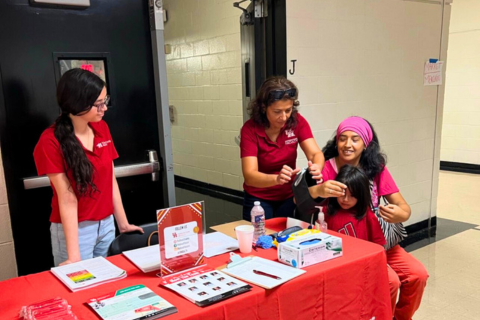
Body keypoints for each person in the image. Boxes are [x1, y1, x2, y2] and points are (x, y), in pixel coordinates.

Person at [308, 116, 428, 320]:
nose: (347, 145)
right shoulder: (325, 168)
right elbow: (300, 201)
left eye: (355, 139)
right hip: (348, 244)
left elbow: (404, 208)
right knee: (389, 282)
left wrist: (400, 214)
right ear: (336, 141)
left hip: (379, 241)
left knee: (418, 275)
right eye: (342, 138)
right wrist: (318, 189)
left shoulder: (375, 169)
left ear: (366, 144)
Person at [33, 68, 143, 267]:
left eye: (105, 101)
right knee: (79, 286)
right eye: (98, 104)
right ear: (77, 103)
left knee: (108, 284)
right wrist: (74, 256)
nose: (105, 109)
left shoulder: (101, 127)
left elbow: (110, 178)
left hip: (106, 224)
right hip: (76, 230)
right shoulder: (49, 141)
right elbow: (67, 199)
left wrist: (123, 224)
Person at [240, 76, 324, 220]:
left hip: (289, 196)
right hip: (258, 199)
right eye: (277, 111)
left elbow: (316, 153)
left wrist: (317, 167)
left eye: (288, 110)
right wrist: (276, 179)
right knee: (258, 240)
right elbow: (250, 176)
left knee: (289, 239)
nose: (284, 117)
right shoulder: (250, 129)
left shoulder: (297, 122)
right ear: (263, 107)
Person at [324, 165, 385, 247]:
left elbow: (379, 244)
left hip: (363, 256)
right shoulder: (327, 211)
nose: (345, 199)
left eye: (352, 195)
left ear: (360, 195)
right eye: (342, 194)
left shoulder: (367, 214)